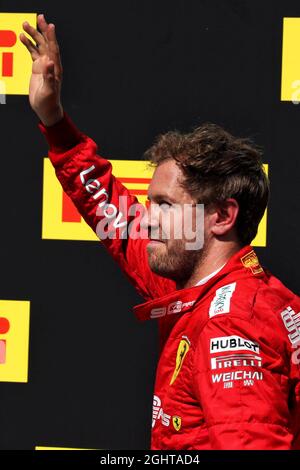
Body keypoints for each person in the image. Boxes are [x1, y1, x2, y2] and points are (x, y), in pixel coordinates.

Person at [20, 14, 300, 450]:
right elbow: (113, 213)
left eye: (165, 206)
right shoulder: (190, 283)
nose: (147, 219)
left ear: (222, 216)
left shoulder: (231, 324)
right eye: (151, 204)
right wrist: (54, 120)